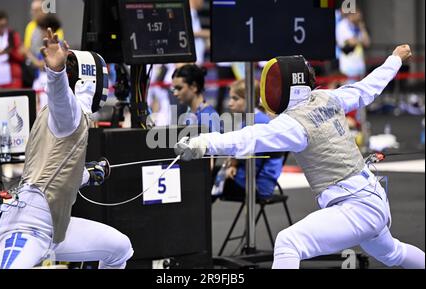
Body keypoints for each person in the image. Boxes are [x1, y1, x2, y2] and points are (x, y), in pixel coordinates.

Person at [175, 45, 425, 269]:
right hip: (371, 197)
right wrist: (394, 59)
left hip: (357, 206)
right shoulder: (328, 97)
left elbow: (248, 138)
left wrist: (200, 144)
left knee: (288, 242)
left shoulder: (294, 124)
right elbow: (368, 88)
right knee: (392, 253)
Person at [0, 28, 133, 269]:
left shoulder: (66, 119)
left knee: (120, 248)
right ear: (91, 81)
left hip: (55, 227)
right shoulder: (69, 115)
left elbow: (55, 168)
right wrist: (56, 72)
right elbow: (61, 98)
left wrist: (86, 174)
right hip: (29, 226)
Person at [218, 79, 284, 200]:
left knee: (205, 179)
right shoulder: (254, 119)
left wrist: (233, 164)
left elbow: (246, 156)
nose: (229, 103)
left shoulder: (256, 122)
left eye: (235, 98)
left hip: (256, 183)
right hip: (255, 178)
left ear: (249, 98)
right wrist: (233, 163)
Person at [171, 64, 221, 133]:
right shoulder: (188, 114)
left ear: (194, 87)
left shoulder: (209, 116)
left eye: (179, 88)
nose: (175, 93)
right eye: (174, 89)